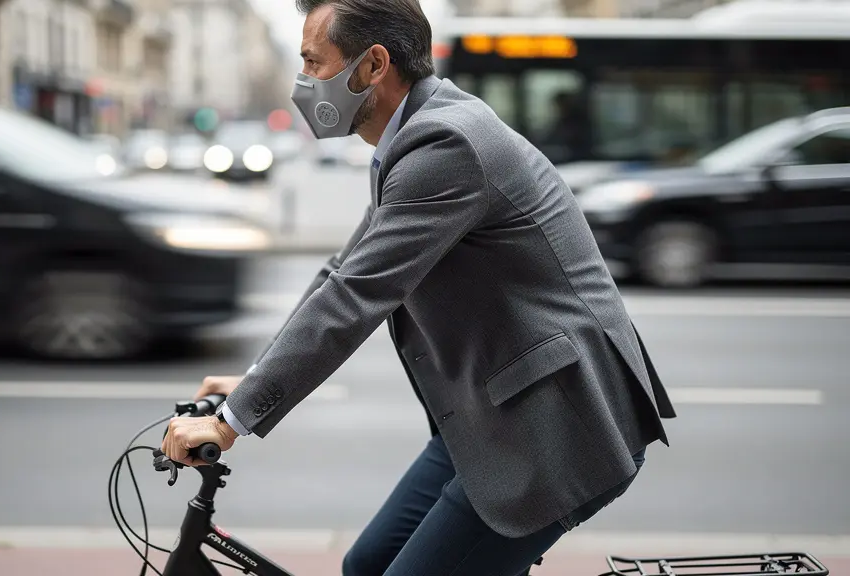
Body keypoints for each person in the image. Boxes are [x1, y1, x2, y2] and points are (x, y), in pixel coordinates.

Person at [162, 1, 677, 574]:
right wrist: (255, 382)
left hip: (553, 428)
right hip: (488, 417)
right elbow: (343, 271)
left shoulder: (445, 145)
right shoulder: (412, 137)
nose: (304, 83)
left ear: (373, 64)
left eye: (314, 63)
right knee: (364, 566)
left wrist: (231, 421)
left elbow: (354, 297)